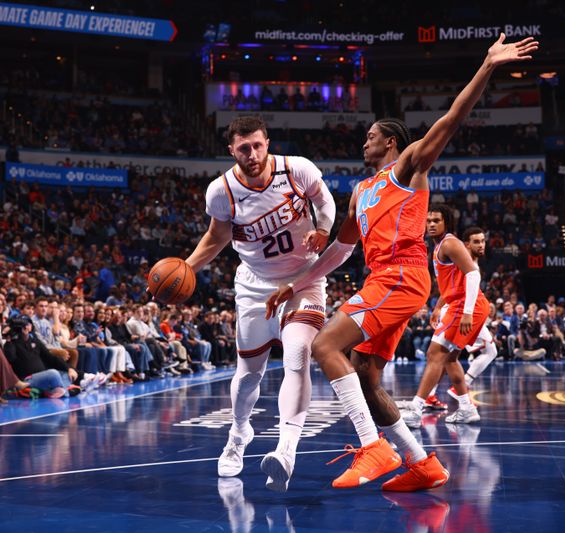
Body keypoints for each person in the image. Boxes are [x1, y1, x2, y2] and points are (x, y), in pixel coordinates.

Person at [266, 33, 537, 491]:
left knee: (325, 347)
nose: (364, 142)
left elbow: (451, 119)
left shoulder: (409, 167)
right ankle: (422, 464)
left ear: (390, 142)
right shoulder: (360, 191)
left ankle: (373, 447)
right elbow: (339, 249)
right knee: (368, 377)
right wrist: (295, 285)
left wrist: (488, 66)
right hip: (383, 278)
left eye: (371, 136)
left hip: (402, 275)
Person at [184, 115, 337, 492]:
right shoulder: (221, 192)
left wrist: (323, 228)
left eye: (257, 145)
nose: (251, 154)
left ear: (267, 142)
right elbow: (216, 237)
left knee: (298, 354)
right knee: (248, 374)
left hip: (304, 279)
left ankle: (286, 450)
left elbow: (325, 199)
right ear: (231, 150)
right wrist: (186, 268)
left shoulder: (296, 169)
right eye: (242, 148)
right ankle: (238, 434)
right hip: (254, 286)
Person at [401, 223, 495, 428]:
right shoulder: (451, 252)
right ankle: (466, 408)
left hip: (466, 309)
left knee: (435, 354)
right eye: (477, 241)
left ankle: (417, 408)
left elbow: (470, 280)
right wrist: (438, 307)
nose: (482, 245)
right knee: (450, 358)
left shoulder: (459, 253)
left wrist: (467, 313)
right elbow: (451, 288)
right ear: (467, 244)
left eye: (483, 241)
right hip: (463, 307)